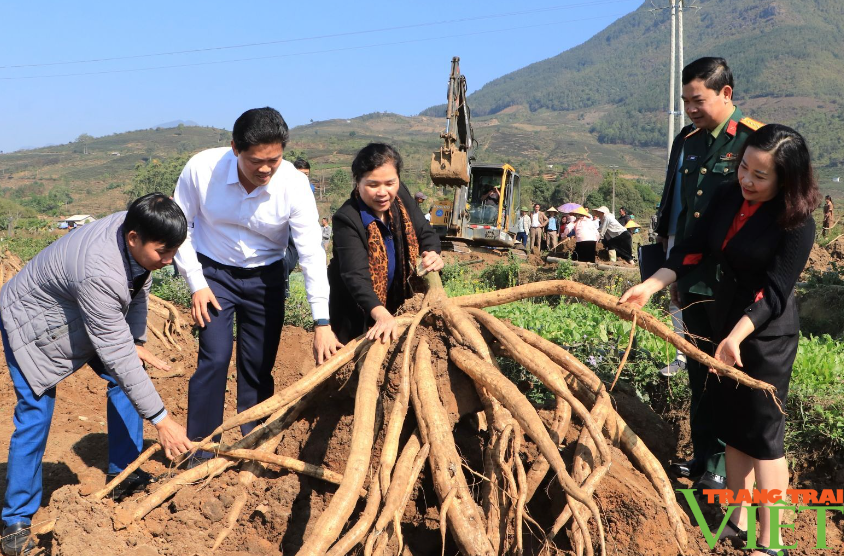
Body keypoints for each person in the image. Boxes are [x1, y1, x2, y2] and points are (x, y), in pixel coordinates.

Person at [622, 125, 818, 555]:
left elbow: (775, 290)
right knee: (732, 425)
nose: (746, 180)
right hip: (723, 322)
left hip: (764, 336)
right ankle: (737, 518)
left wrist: (737, 336)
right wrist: (653, 284)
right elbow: (694, 249)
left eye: (760, 176)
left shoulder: (797, 221)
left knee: (763, 436)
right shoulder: (730, 196)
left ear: (786, 180)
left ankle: (771, 539)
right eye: (744, 167)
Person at [0, 194, 193, 555]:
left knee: (125, 379)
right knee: (35, 412)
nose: (168, 261)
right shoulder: (99, 269)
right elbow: (117, 353)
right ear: (134, 238)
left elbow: (138, 290)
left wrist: (134, 339)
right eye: (163, 252)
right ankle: (15, 523)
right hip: (31, 324)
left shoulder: (138, 230)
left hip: (77, 315)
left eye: (173, 251)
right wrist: (162, 420)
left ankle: (124, 475)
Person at [173, 107, 342, 463]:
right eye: (256, 161)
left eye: (274, 160)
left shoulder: (294, 185)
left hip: (266, 278)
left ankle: (254, 450)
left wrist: (322, 322)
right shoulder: (202, 170)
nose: (265, 169)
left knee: (258, 364)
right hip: (213, 275)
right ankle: (200, 452)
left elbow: (311, 253)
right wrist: (195, 282)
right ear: (235, 148)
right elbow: (180, 228)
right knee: (214, 359)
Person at [652, 57, 763, 490]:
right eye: (685, 102)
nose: (690, 109)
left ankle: (723, 468)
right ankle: (703, 458)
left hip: (734, 281)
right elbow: (672, 204)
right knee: (698, 368)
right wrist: (668, 267)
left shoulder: (754, 139)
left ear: (726, 94)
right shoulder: (687, 140)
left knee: (726, 372)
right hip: (690, 273)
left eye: (697, 100)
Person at [328, 143, 443, 344]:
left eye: (390, 183)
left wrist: (432, 252)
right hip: (357, 314)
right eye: (373, 185)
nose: (383, 192)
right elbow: (355, 275)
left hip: (398, 305)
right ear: (358, 182)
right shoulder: (347, 219)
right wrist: (379, 313)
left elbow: (425, 232)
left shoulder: (401, 198)